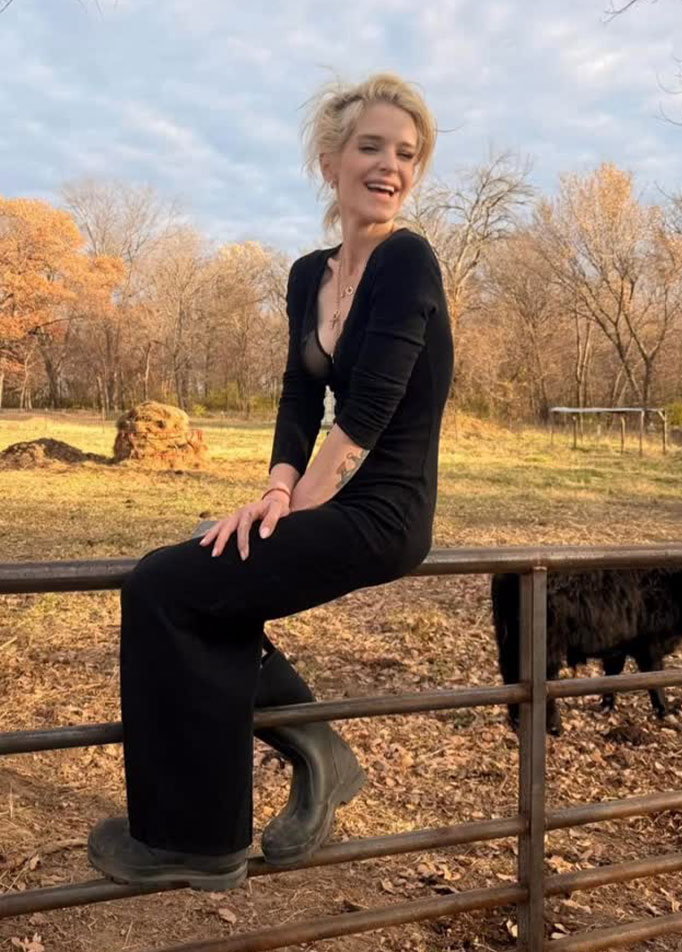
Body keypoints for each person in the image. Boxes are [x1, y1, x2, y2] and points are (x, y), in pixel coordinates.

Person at [88, 71, 454, 891]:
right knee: (202, 576)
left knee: (164, 587)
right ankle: (318, 752)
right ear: (331, 160)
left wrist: (297, 503)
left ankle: (196, 840)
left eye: (407, 153)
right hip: (326, 494)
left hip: (386, 508)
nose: (390, 166)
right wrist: (275, 490)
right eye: (371, 147)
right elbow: (300, 395)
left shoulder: (409, 261)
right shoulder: (308, 276)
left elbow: (368, 408)